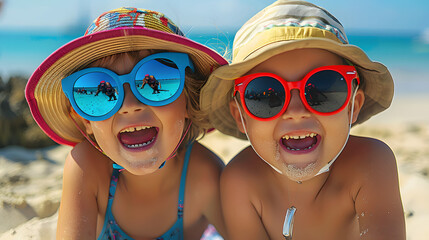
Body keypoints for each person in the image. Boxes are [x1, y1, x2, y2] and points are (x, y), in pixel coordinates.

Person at [200, 1, 405, 239]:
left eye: (322, 89)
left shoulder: (370, 163)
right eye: (267, 95)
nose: (296, 111)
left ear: (353, 106)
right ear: (241, 116)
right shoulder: (241, 180)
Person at [25, 7, 228, 239]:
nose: (129, 104)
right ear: (85, 120)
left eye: (156, 78)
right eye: (102, 90)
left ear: (189, 102)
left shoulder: (203, 175)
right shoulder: (87, 170)